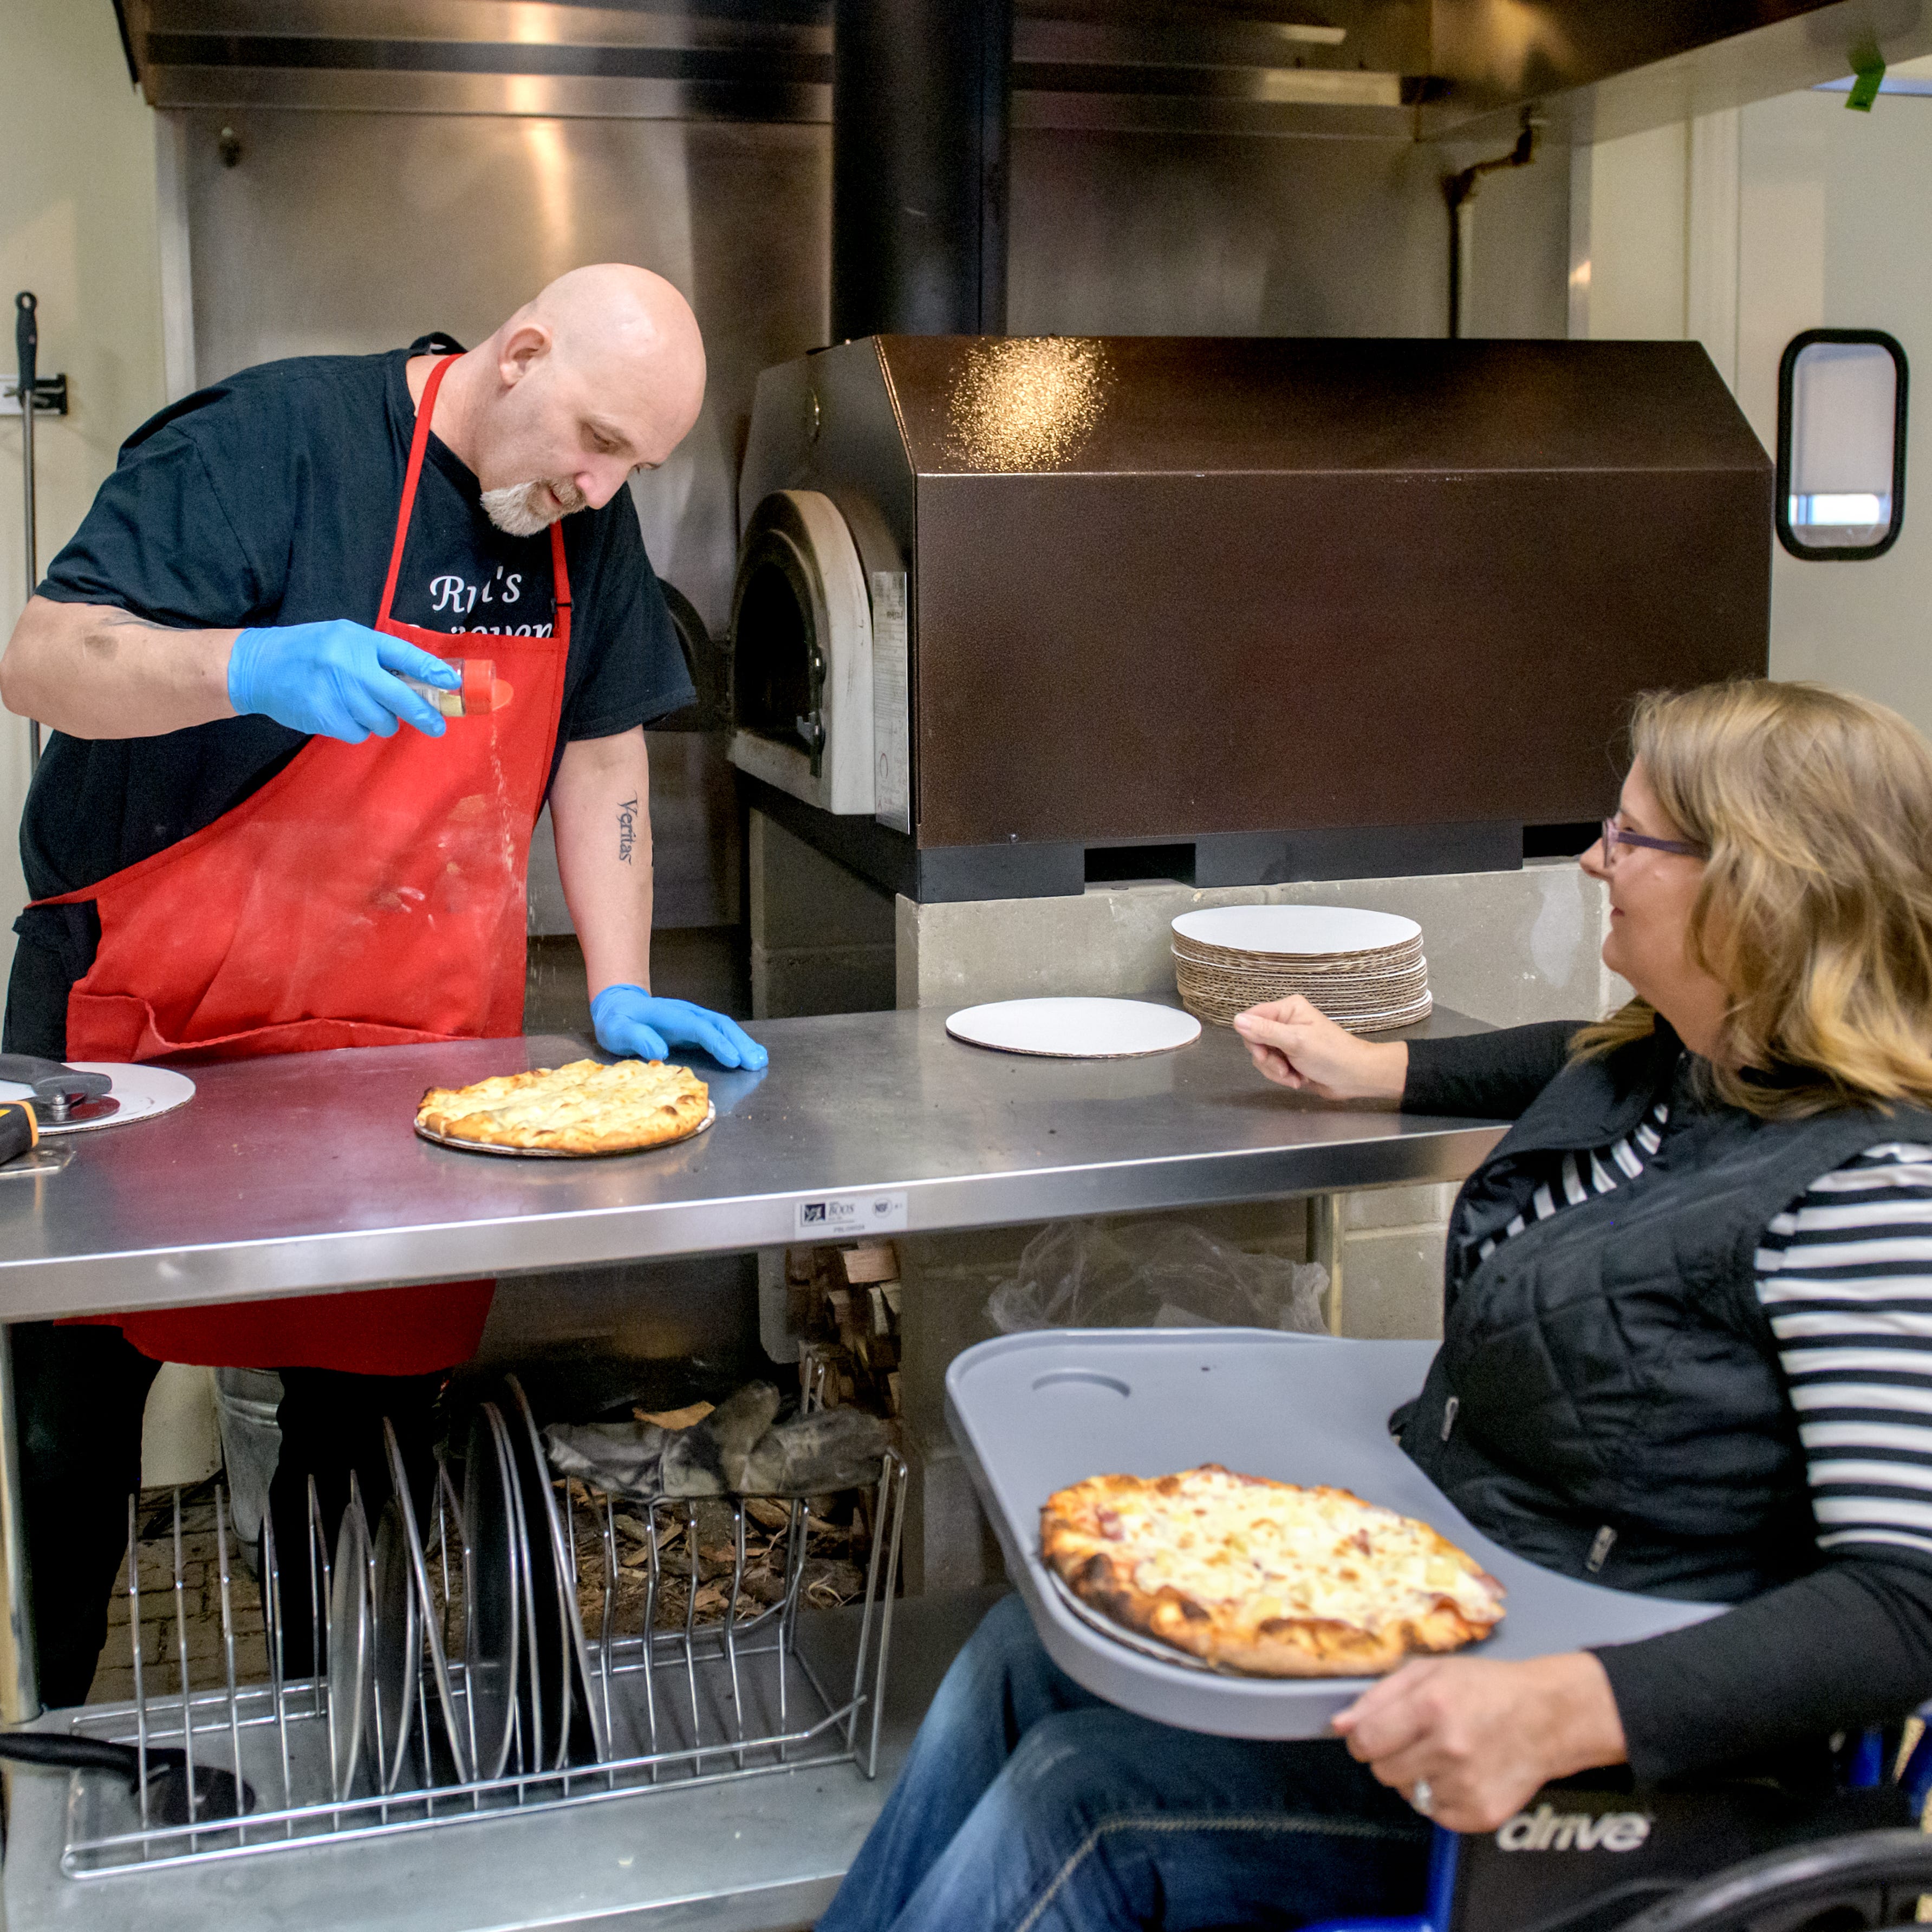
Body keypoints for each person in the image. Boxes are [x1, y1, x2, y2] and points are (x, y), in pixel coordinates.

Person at [819, 679, 1932, 1932]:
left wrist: (1562, 1706)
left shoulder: (1871, 1187)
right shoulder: (1682, 1059)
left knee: (1085, 1798)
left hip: (1619, 1767)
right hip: (1481, 1570)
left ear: (1760, 886)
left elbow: (1908, 1601)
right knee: (1024, 1649)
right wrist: (1378, 1068)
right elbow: (1562, 1052)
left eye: (1628, 836)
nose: (1589, 857)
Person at [0, 263, 767, 1703]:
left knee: (365, 1449)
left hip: (405, 1073)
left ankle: (330, 1739)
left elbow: (600, 752)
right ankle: (38, 1735)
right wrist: (246, 665)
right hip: (148, 1039)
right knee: (69, 1433)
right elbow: (43, 662)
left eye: (636, 464)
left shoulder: (581, 523)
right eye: (596, 439)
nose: (604, 490)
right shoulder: (265, 441)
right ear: (519, 352)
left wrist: (618, 990)